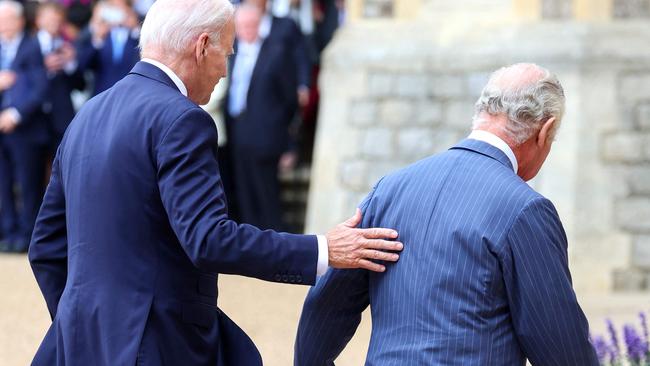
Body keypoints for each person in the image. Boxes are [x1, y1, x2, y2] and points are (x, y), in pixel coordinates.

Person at [28, 0, 403, 365]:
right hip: (157, 344)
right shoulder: (181, 119)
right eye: (227, 52)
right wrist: (322, 250)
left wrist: (80, 322)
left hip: (81, 343)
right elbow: (208, 240)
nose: (225, 69)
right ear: (202, 46)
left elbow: (45, 247)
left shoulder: (87, 115)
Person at [294, 63, 599, 365]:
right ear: (544, 132)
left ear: (482, 111)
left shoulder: (389, 190)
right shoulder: (525, 209)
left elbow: (327, 308)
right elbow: (560, 345)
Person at [224, 4, 298, 230]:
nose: (246, 30)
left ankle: (278, 256)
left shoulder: (276, 53)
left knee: (268, 201)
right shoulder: (231, 55)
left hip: (266, 138)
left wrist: (289, 143)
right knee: (244, 199)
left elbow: (289, 100)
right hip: (237, 135)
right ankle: (251, 256)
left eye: (250, 25)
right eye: (242, 26)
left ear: (259, 26)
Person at [0, 0, 48, 253]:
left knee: (28, 183)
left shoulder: (32, 46)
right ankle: (8, 233)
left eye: (8, 20)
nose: (4, 25)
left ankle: (27, 236)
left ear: (20, 21)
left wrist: (15, 114)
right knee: (3, 183)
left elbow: (40, 89)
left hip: (25, 128)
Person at [35, 2, 85, 153]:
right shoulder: (27, 46)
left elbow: (80, 85)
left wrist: (71, 64)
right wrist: (43, 68)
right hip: (33, 119)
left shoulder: (69, 48)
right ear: (39, 20)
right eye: (50, 19)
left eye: (58, 20)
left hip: (61, 118)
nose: (54, 24)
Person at [76, 0, 140, 96]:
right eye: (113, 7)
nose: (117, 11)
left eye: (121, 7)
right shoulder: (100, 33)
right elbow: (83, 65)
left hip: (130, 93)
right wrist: (98, 39)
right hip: (102, 93)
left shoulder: (136, 34)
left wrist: (135, 28)